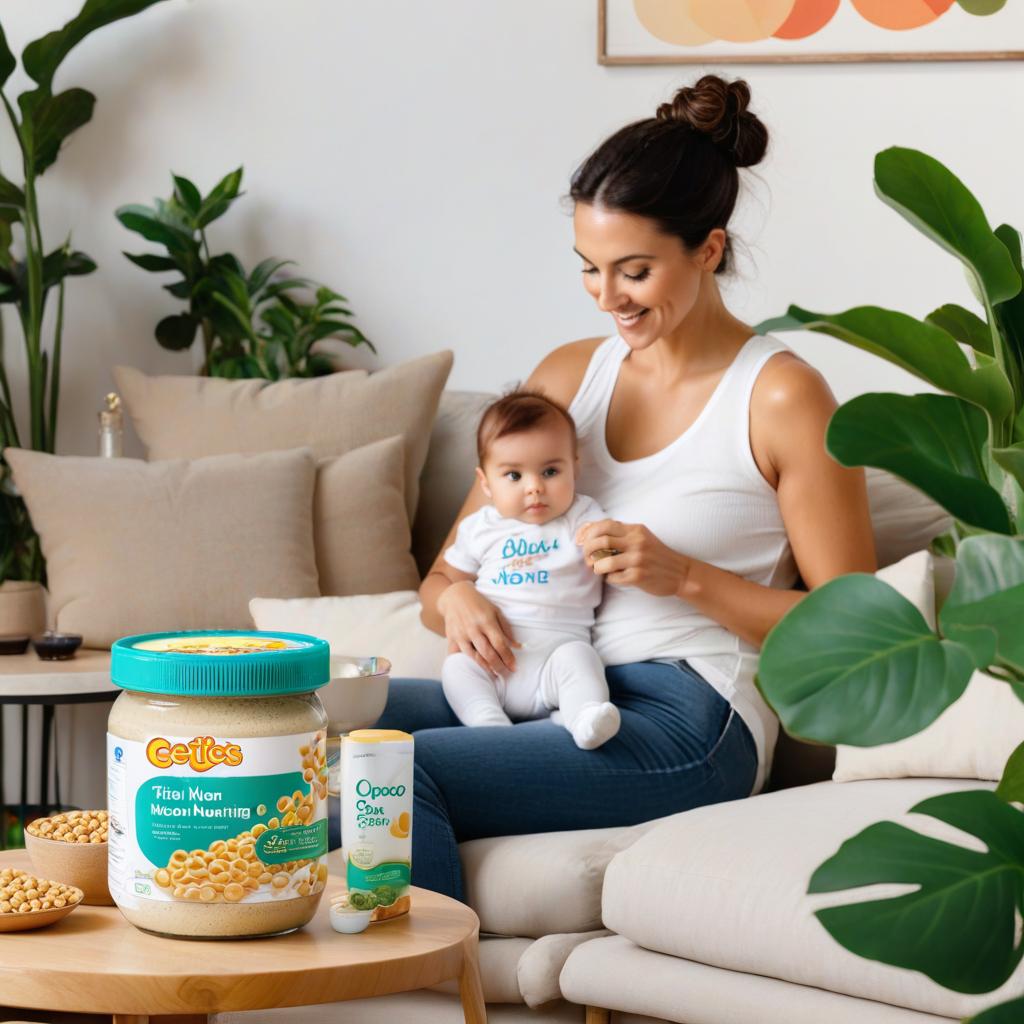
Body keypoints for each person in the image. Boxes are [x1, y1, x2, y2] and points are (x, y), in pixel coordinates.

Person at [376, 74, 875, 902]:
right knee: (297, 726)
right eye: (589, 270)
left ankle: (413, 994)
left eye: (634, 271)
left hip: (688, 718)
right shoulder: (569, 379)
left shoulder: (782, 397)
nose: (609, 298)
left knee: (394, 771)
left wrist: (683, 577)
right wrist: (456, 605)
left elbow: (857, 632)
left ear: (708, 250)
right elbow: (444, 579)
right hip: (541, 683)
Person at [440, 389, 620, 750]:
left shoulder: (582, 515)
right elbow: (450, 581)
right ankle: (487, 722)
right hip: (490, 661)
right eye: (513, 476)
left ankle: (583, 715)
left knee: (581, 662)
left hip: (556, 654)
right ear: (485, 482)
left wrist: (602, 547)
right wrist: (457, 594)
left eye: (550, 471)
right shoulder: (479, 528)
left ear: (575, 468)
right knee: (456, 669)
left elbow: (607, 548)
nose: (535, 487)